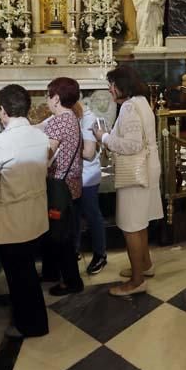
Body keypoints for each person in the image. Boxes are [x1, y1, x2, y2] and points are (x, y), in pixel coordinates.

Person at [0, 85, 50, 338]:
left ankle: (30, 325)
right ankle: (35, 320)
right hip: (35, 215)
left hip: (11, 221)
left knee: (19, 277)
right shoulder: (41, 136)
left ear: (3, 111)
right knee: (27, 271)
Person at [93, 65, 164, 296]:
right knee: (140, 221)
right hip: (149, 167)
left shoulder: (129, 108)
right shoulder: (142, 102)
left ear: (122, 84)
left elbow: (132, 145)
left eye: (111, 85)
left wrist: (103, 137)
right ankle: (145, 264)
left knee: (131, 226)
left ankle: (137, 281)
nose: (110, 90)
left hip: (136, 172)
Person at [40, 77, 85, 296]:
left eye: (48, 95)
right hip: (71, 185)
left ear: (56, 98)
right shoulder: (71, 117)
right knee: (60, 233)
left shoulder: (60, 121)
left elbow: (46, 154)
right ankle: (52, 272)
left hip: (60, 187)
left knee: (62, 237)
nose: (46, 100)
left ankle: (71, 281)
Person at [77, 100, 108, 275]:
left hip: (87, 176)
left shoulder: (88, 118)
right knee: (73, 216)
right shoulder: (67, 115)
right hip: (73, 176)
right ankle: (74, 250)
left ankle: (100, 254)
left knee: (92, 214)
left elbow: (89, 154)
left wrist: (67, 148)